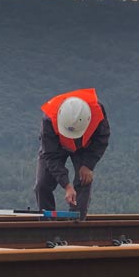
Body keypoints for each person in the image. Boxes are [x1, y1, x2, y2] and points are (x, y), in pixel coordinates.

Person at [34, 88, 110, 220]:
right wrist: (67, 186)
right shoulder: (49, 119)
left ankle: (77, 222)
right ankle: (46, 224)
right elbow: (50, 157)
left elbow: (102, 139)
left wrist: (88, 165)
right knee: (42, 185)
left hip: (84, 146)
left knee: (84, 179)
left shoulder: (97, 111)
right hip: (56, 146)